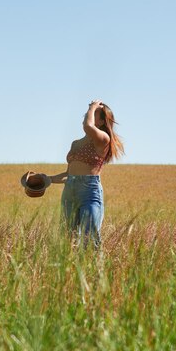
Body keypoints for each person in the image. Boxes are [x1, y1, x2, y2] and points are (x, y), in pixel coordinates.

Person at [49, 99, 124, 248]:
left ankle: (95, 270)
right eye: (88, 112)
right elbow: (68, 174)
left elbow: (88, 126)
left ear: (102, 122)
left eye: (93, 113)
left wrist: (94, 105)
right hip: (70, 190)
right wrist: (48, 179)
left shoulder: (103, 139)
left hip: (89, 191)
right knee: (66, 238)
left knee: (89, 239)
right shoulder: (75, 144)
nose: (87, 114)